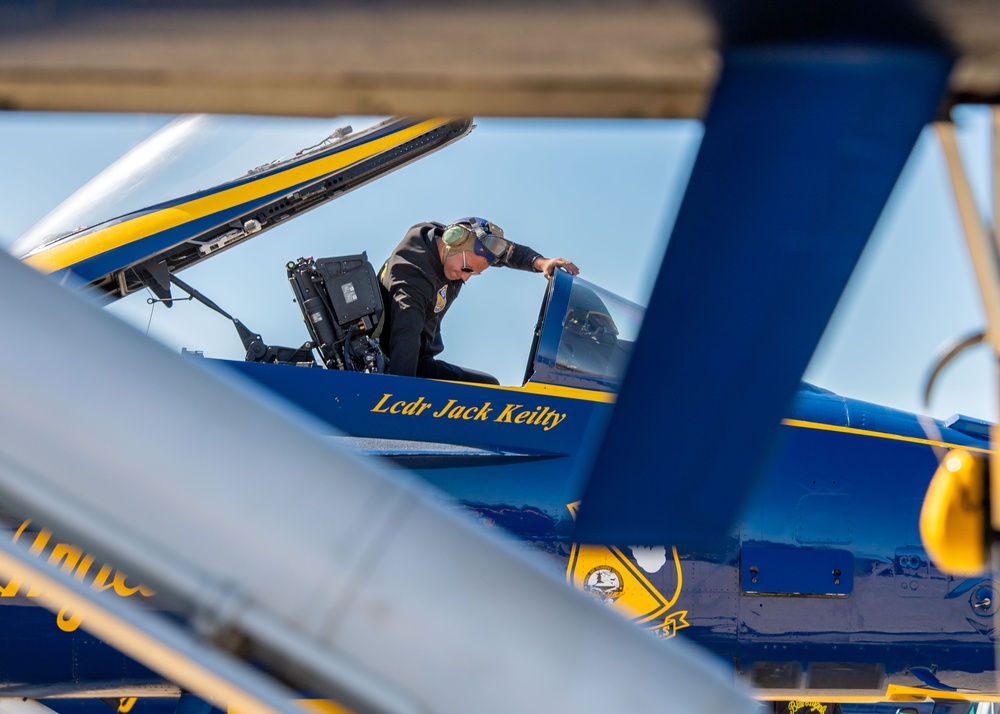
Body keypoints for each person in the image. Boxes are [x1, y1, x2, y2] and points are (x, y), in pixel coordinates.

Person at [378, 217, 579, 384]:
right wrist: (400, 396)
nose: (465, 278)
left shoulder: (456, 241)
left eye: (474, 273)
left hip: (419, 357)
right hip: (401, 361)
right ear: (453, 244)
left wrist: (541, 263)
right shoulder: (412, 277)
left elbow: (507, 252)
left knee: (488, 387)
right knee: (483, 390)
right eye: (467, 269)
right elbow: (406, 334)